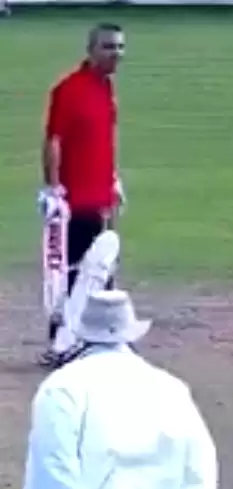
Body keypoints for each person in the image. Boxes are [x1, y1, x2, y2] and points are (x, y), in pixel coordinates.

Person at [2, 289, 219, 489]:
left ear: (83, 335)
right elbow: (199, 460)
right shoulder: (171, 389)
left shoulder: (62, 386)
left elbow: (56, 458)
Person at [38, 22, 127, 367]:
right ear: (91, 50)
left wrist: (113, 179)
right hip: (77, 202)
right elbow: (54, 140)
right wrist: (53, 188)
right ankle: (60, 344)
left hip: (102, 198)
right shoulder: (69, 90)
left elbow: (101, 140)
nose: (116, 54)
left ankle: (100, 341)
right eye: (108, 47)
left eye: (120, 47)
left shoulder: (106, 88)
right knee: (74, 274)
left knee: (103, 272)